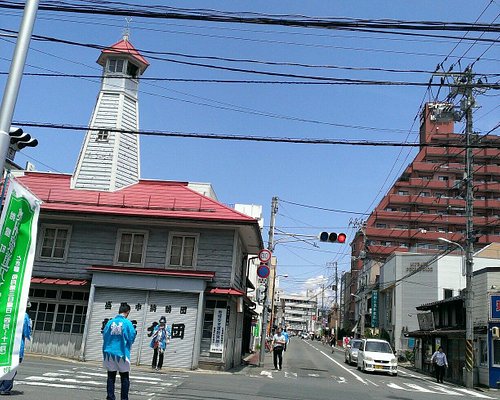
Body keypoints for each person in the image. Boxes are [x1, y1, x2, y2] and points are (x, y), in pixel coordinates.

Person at [102, 303, 136, 400]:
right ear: (127, 312)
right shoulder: (128, 323)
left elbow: (104, 335)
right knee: (124, 377)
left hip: (109, 352)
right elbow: (132, 336)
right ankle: (124, 398)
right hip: (122, 352)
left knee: (111, 376)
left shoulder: (110, 322)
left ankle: (110, 397)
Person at [0, 301, 32, 395]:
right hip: (16, 346)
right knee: (11, 368)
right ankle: (4, 388)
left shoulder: (6, 313)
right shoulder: (24, 316)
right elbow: (26, 332)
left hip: (4, 344)